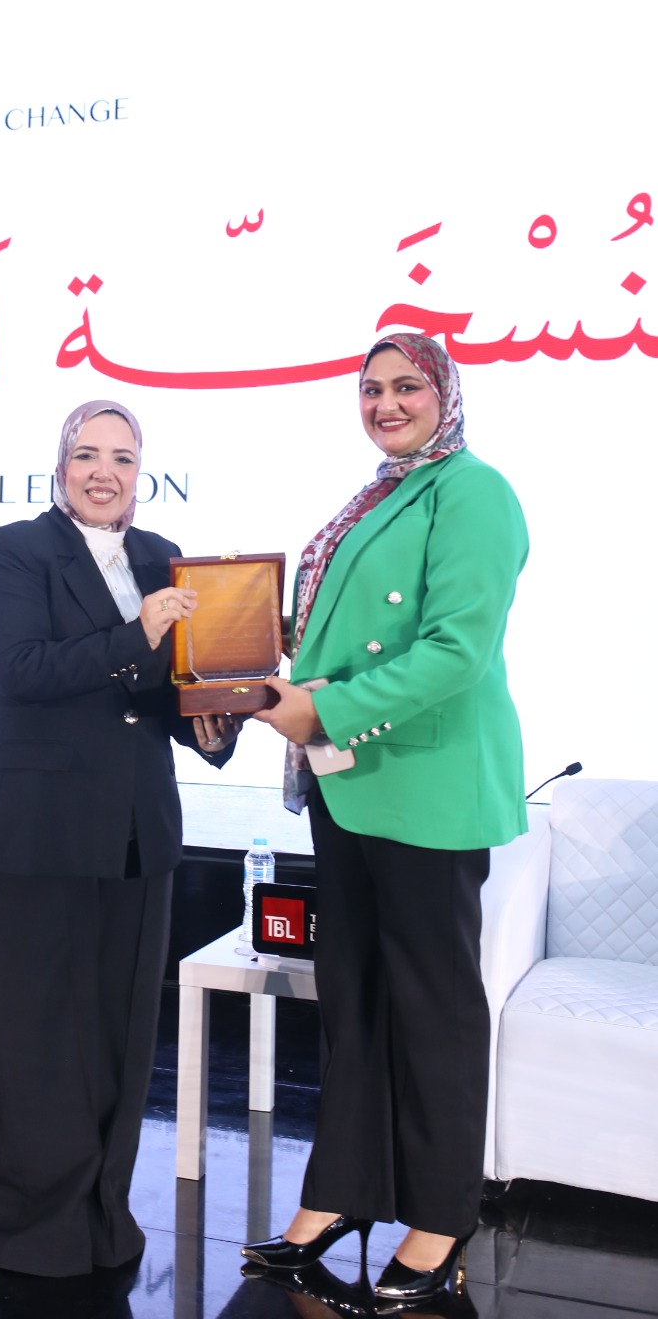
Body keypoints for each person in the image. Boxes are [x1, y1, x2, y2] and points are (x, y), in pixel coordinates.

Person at [240, 333, 528, 1307]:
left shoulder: (473, 491)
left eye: (407, 386)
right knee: (354, 999)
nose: (386, 402)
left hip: (424, 782)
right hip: (353, 779)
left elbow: (455, 650)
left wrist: (323, 710)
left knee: (432, 1008)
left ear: (444, 394)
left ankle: (441, 1216)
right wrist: (241, 649)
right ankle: (340, 1193)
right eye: (371, 388)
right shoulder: (379, 493)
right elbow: (334, 631)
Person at [0, 399, 238, 1280]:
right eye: (87, 454)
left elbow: (165, 692)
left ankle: (104, 1224)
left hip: (136, 832)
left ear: (141, 470)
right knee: (38, 1040)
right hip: (34, 834)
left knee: (122, 1036)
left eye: (122, 456)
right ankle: (36, 1237)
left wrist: (215, 718)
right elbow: (22, 670)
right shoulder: (15, 548)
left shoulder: (161, 556)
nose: (104, 472)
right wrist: (138, 632)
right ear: (61, 465)